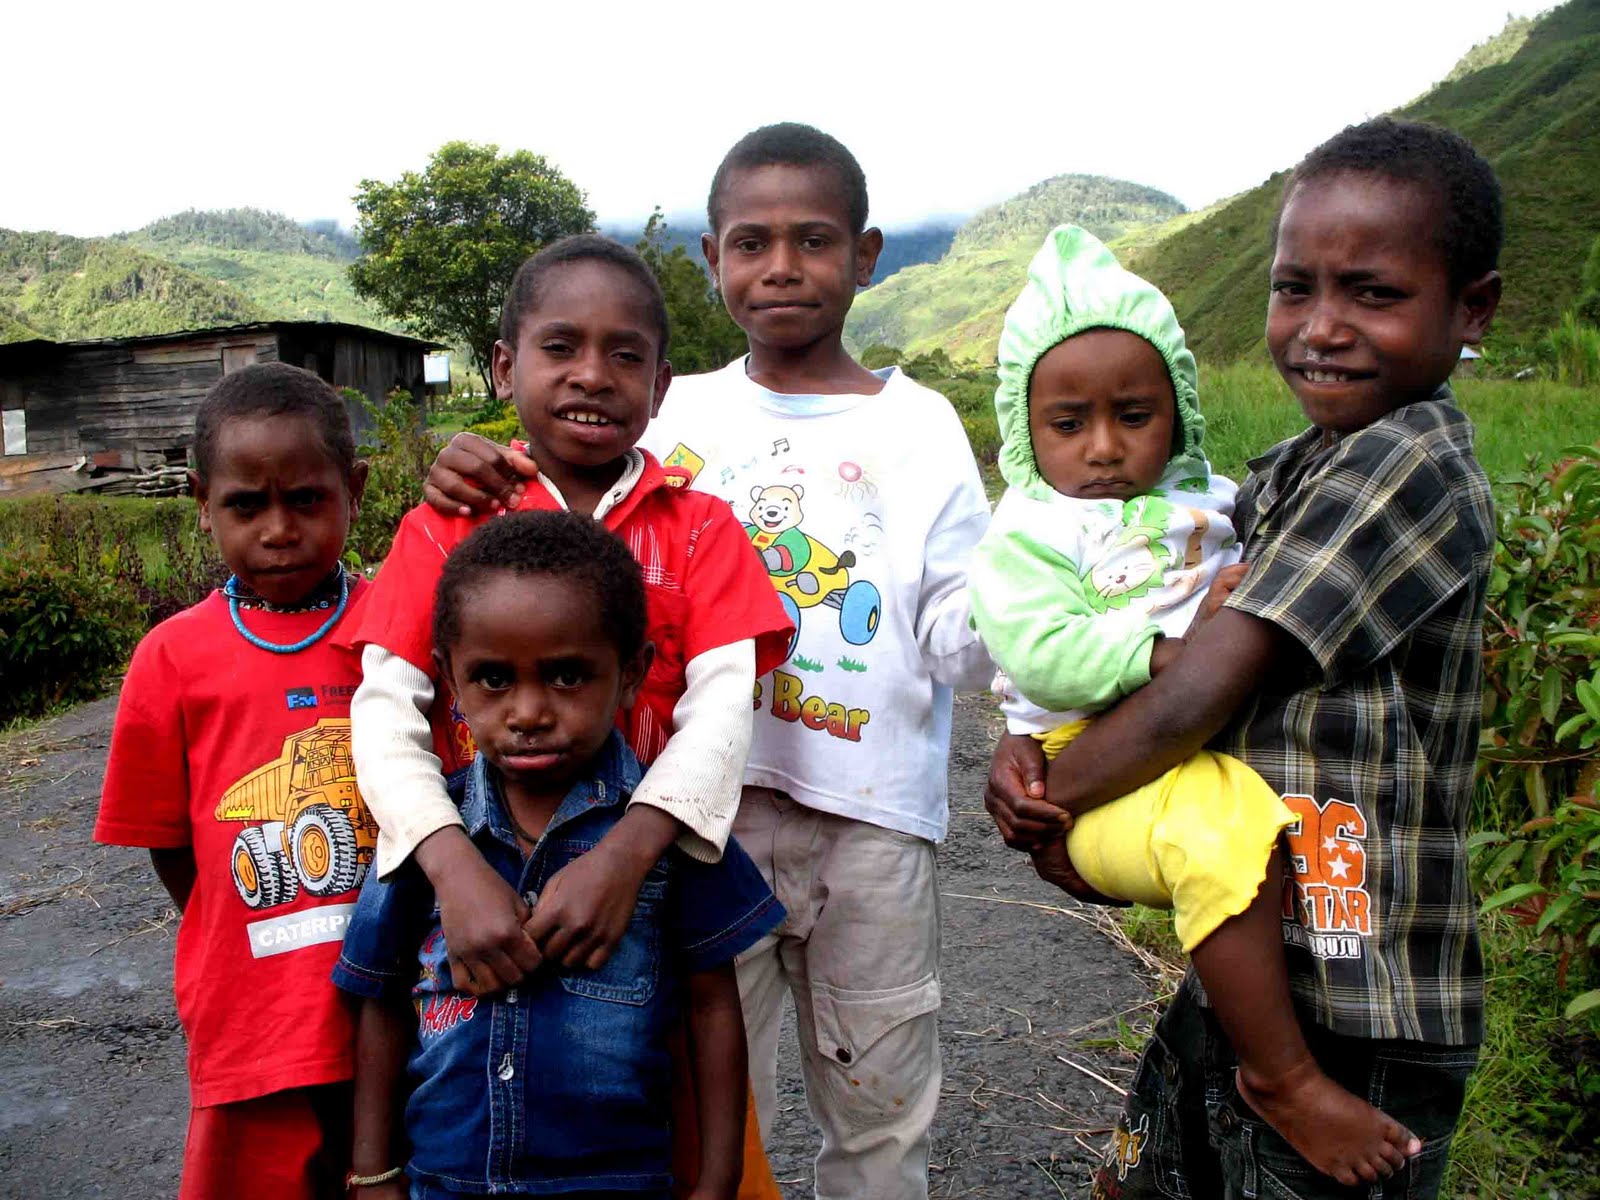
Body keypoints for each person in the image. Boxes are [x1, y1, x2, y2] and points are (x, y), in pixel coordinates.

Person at [425, 123, 994, 1199]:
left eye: (814, 241)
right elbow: (554, 496)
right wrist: (468, 462)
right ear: (712, 260)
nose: (782, 266)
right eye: (752, 241)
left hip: (870, 819)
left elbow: (960, 631)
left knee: (876, 1103)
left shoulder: (921, 428)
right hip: (694, 821)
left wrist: (1046, 611)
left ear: (867, 256)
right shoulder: (671, 404)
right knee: (706, 1095)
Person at [985, 117, 1503, 1199]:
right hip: (1258, 951)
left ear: (1473, 310)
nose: (1322, 328)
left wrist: (1047, 801)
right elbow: (1114, 636)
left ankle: (1282, 1080)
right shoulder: (1286, 470)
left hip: (1361, 993)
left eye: (1373, 293)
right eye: (1293, 289)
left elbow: (1196, 693)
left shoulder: (1403, 464)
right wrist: (1023, 738)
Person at [340, 234, 791, 1196]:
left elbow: (721, 714)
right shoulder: (446, 521)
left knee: (669, 1110)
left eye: (625, 354)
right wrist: (451, 866)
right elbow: (384, 710)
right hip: (476, 873)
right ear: (504, 366)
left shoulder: (702, 529)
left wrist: (627, 856)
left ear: (662, 384)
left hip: (656, 886)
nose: (593, 374)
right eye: (560, 346)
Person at [334, 511, 782, 1198]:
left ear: (631, 674)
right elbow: (382, 999)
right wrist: (373, 1171)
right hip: (447, 1183)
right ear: (449, 681)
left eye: (568, 677)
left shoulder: (670, 841)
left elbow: (713, 1009)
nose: (529, 711)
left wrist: (718, 1181)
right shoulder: (424, 839)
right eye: (492, 679)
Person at [95, 362, 373, 1199]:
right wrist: (249, 920)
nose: (279, 529)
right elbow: (174, 850)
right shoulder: (171, 658)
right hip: (256, 1008)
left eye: (308, 499)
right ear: (202, 503)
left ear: (353, 490)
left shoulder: (395, 627)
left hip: (398, 1003)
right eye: (247, 506)